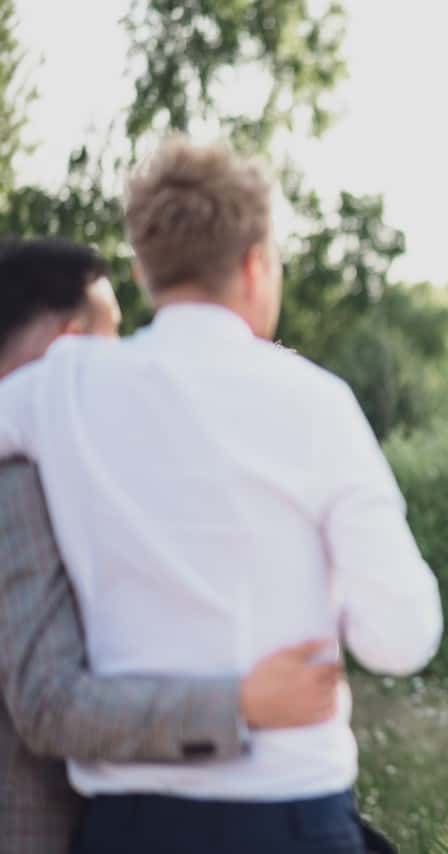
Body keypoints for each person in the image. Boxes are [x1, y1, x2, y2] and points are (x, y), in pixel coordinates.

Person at [0, 138, 444, 853]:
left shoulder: (62, 389)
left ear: (144, 271)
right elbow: (399, 640)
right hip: (289, 814)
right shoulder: (317, 402)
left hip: (126, 825)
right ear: (255, 263)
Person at [0, 237, 343, 853]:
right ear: (69, 349)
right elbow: (49, 703)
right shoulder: (13, 488)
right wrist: (241, 704)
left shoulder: (74, 464)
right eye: (114, 332)